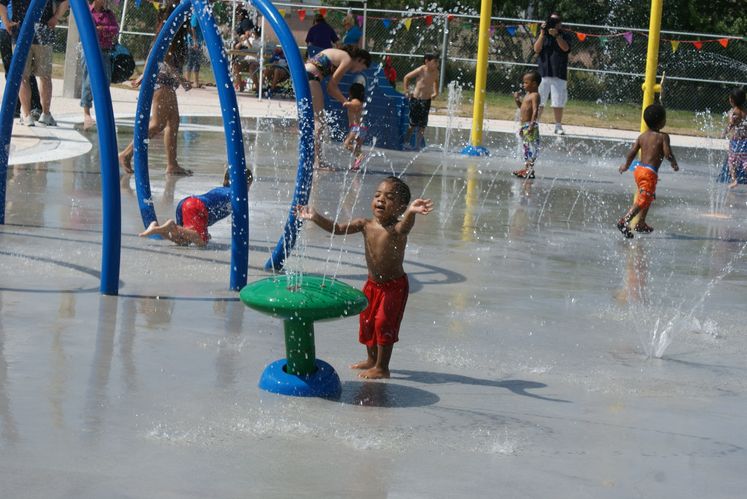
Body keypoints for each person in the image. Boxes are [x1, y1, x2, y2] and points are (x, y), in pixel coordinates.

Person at [296, 176, 433, 379]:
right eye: (377, 195)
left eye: (389, 197)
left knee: (383, 323)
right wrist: (316, 217)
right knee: (368, 321)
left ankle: (382, 367)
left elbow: (405, 227)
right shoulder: (365, 224)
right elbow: (339, 229)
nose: (381, 200)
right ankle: (371, 359)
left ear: (400, 206)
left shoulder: (396, 229)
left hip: (393, 287)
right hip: (372, 285)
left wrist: (411, 213)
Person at [119, 3, 192, 176]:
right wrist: (181, 80)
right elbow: (164, 59)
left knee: (173, 122)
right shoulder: (171, 31)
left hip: (164, 81)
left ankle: (172, 164)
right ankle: (126, 154)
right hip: (163, 81)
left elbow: (154, 55)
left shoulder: (166, 30)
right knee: (157, 123)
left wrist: (143, 74)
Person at [139, 167, 253, 246]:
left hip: (187, 203)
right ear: (243, 183)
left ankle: (159, 229)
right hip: (196, 206)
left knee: (184, 241)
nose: (248, 189)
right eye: (248, 184)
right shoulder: (235, 195)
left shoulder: (223, 190)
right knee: (201, 241)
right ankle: (171, 227)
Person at [0, 0, 69, 126]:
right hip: (43, 32)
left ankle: (27, 115)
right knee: (45, 76)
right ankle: (45, 114)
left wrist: (6, 22)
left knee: (23, 77)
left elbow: (2, 4)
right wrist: (55, 18)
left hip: (22, 32)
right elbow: (65, 2)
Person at [616, 104, 679, 238]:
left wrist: (626, 165)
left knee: (648, 197)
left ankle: (641, 223)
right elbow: (667, 154)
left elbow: (632, 152)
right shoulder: (663, 137)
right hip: (649, 173)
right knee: (644, 199)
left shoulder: (642, 136)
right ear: (662, 122)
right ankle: (624, 221)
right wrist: (673, 162)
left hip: (639, 170)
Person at [304, 46, 371, 169]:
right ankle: (318, 162)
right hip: (310, 77)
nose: (357, 71)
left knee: (313, 120)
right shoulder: (348, 59)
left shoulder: (340, 55)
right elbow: (331, 86)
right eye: (362, 68)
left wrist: (345, 102)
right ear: (360, 60)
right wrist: (346, 102)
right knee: (319, 121)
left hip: (305, 75)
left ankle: (311, 158)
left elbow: (331, 88)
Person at [79, 0, 118, 130]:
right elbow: (86, 27)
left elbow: (115, 29)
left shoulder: (109, 14)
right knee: (88, 81)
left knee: (105, 80)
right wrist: (100, 29)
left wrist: (102, 29)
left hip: (105, 51)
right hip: (89, 50)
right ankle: (87, 114)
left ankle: (101, 113)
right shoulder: (87, 12)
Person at [533, 12, 572, 135]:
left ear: (560, 24)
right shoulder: (543, 34)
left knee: (558, 101)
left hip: (558, 73)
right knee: (540, 101)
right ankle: (535, 124)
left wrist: (557, 36)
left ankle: (558, 125)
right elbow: (536, 49)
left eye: (556, 22)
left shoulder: (564, 34)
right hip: (543, 72)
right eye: (551, 21)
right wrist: (542, 33)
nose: (554, 24)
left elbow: (566, 48)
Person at [0, 1, 41, 118]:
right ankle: (15, 106)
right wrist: (6, 21)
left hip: (21, 28)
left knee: (26, 71)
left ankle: (35, 106)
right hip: (6, 29)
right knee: (10, 72)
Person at [402, 54, 439, 148]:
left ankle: (418, 146)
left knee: (423, 125)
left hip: (426, 100)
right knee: (412, 124)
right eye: (435, 62)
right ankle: (406, 142)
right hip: (416, 99)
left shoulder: (436, 72)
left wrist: (436, 92)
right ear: (427, 61)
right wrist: (406, 91)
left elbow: (435, 81)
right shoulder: (421, 70)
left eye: (437, 62)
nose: (437, 64)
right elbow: (406, 77)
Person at [511, 70, 541, 179]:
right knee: (526, 149)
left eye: (526, 83)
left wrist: (532, 126)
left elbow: (535, 111)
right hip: (525, 126)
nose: (523, 85)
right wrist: (516, 99)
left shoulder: (535, 95)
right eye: (523, 82)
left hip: (530, 126)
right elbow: (522, 108)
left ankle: (530, 170)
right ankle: (527, 169)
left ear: (534, 84)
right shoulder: (528, 94)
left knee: (531, 149)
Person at [231, 7, 259, 93]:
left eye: (238, 14)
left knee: (236, 65)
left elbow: (247, 34)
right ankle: (240, 85)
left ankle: (242, 85)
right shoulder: (243, 22)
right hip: (244, 52)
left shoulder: (245, 22)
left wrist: (239, 43)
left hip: (246, 53)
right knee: (235, 65)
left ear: (242, 14)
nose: (236, 16)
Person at [724, 87, 747, 188]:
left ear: (732, 100)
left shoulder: (734, 112)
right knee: (745, 161)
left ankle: (734, 180)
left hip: (736, 142)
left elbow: (731, 124)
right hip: (745, 141)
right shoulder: (745, 111)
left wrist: (724, 132)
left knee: (731, 160)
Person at [343, 82, 366, 170]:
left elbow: (355, 105)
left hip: (356, 128)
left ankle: (359, 155)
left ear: (352, 93)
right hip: (361, 128)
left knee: (347, 144)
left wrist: (347, 104)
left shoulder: (355, 102)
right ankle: (356, 165)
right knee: (357, 146)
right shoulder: (360, 101)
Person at [185, 8, 204, 88]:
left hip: (198, 42)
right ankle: (187, 81)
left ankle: (195, 82)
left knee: (197, 62)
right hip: (193, 42)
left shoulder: (200, 15)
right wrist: (195, 41)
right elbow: (192, 28)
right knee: (191, 61)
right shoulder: (196, 14)